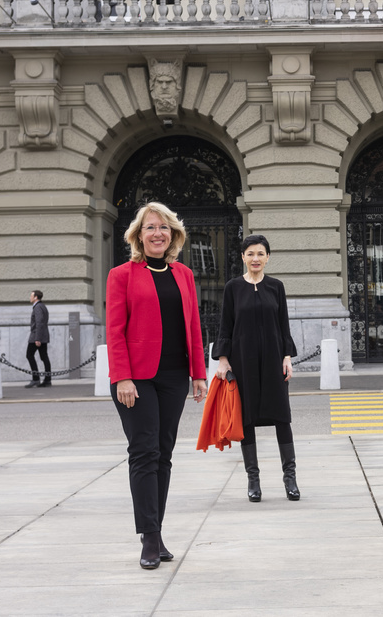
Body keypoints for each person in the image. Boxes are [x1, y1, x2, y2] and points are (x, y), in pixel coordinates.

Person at [107, 202, 208, 569]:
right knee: (144, 452)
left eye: (164, 227)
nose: (157, 233)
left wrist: (198, 373)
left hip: (173, 377)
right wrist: (121, 376)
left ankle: (157, 530)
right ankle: (149, 538)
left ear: (173, 235)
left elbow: (193, 326)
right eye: (150, 227)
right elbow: (115, 330)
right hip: (136, 379)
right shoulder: (122, 275)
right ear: (138, 235)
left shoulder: (183, 274)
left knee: (163, 454)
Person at [213, 235, 300, 502]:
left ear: (268, 257)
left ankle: (290, 479)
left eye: (260, 254)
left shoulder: (276, 287)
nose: (255, 259)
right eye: (250, 254)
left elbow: (283, 323)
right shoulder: (233, 288)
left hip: (274, 360)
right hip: (243, 361)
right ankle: (253, 480)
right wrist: (223, 359)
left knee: (282, 418)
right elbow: (225, 324)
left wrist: (287, 356)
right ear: (243, 257)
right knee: (247, 418)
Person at [25, 290, 51, 388]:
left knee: (29, 355)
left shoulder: (38, 307)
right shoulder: (42, 306)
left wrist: (37, 338)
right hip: (42, 335)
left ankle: (36, 379)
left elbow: (39, 323)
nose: (30, 297)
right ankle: (47, 380)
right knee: (44, 357)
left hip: (37, 336)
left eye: (31, 295)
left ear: (36, 297)